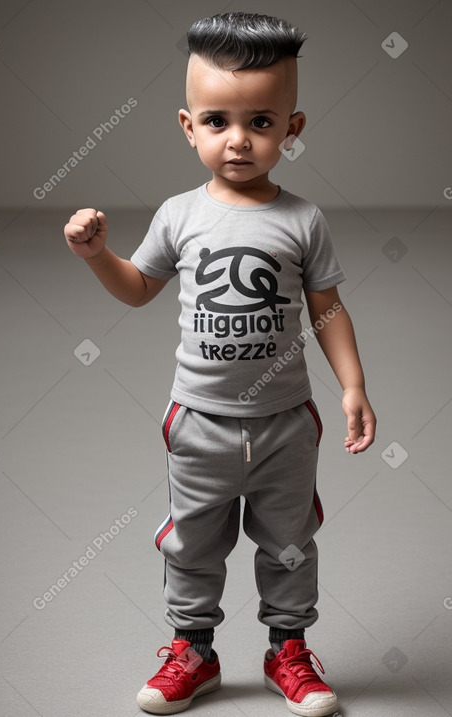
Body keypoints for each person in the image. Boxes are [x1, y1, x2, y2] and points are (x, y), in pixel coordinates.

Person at [64, 12, 376, 717]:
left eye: (261, 121)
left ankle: (288, 649)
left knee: (290, 540)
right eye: (217, 120)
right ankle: (193, 650)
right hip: (198, 420)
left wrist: (353, 383)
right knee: (192, 538)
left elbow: (327, 309)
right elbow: (139, 289)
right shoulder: (179, 215)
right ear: (187, 125)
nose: (239, 139)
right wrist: (96, 258)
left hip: (285, 423)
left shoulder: (303, 219)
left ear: (291, 130)